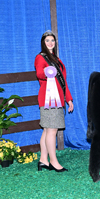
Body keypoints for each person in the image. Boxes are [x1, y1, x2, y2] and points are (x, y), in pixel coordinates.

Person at [35, 30, 74, 172]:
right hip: (48, 99)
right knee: (51, 130)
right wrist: (47, 71)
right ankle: (54, 162)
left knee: (47, 130)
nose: (50, 43)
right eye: (47, 41)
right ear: (43, 43)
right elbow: (39, 73)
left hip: (57, 98)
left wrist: (68, 99)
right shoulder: (41, 58)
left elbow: (64, 82)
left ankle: (43, 160)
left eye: (52, 40)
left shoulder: (57, 59)